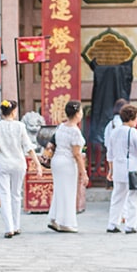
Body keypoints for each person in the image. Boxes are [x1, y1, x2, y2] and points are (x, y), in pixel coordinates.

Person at [0, 99, 41, 238]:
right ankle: (16, 226)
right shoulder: (20, 126)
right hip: (18, 164)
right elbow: (28, 147)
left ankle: (9, 228)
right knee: (16, 194)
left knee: (4, 196)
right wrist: (38, 165)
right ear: (14, 112)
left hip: (2, 164)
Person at [106, 104, 137, 235]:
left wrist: (111, 170)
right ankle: (130, 226)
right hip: (133, 169)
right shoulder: (133, 132)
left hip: (118, 168)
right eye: (136, 117)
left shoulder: (114, 132)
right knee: (133, 198)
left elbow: (110, 154)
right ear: (132, 118)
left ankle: (112, 224)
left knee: (117, 197)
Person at [47, 100, 87, 234]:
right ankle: (66, 222)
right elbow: (76, 154)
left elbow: (52, 143)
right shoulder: (75, 131)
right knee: (68, 192)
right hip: (67, 163)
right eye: (80, 111)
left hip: (57, 161)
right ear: (76, 114)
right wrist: (84, 172)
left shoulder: (61, 127)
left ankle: (55, 218)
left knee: (59, 191)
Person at [102, 98, 129, 181]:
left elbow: (106, 142)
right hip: (125, 156)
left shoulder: (110, 124)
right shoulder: (125, 125)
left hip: (113, 155)